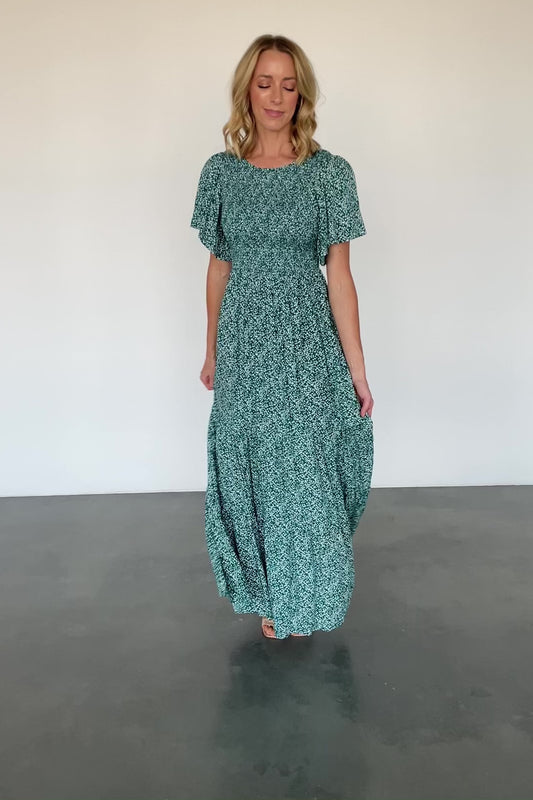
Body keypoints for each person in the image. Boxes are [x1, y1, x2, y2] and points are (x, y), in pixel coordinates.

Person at [190, 33, 374, 640]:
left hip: (306, 344)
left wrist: (357, 369)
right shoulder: (220, 174)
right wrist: (211, 348)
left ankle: (304, 591)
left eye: (289, 85)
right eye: (265, 83)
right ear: (247, 90)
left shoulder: (329, 174)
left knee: (305, 469)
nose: (276, 96)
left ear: (303, 95)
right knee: (250, 467)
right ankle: (271, 595)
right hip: (244, 344)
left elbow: (340, 278)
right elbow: (218, 268)